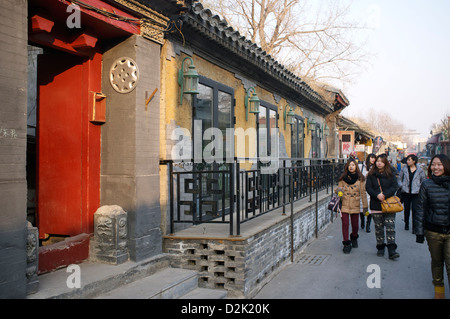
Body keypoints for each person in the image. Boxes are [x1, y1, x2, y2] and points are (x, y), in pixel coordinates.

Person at [415, 154, 450, 299]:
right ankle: (439, 293)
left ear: (446, 166)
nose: (436, 167)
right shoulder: (426, 184)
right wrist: (419, 232)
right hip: (433, 231)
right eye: (434, 165)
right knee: (436, 262)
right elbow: (421, 208)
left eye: (439, 164)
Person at [365, 154, 400, 260]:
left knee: (390, 227)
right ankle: (380, 247)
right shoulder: (371, 174)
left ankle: (391, 249)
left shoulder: (391, 174)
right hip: (376, 204)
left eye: (381, 161)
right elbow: (368, 187)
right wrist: (377, 195)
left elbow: (395, 186)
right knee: (379, 228)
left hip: (388, 204)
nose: (379, 163)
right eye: (377, 161)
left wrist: (384, 194)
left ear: (385, 163)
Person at [336, 158, 368, 254]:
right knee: (345, 224)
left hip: (355, 204)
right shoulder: (343, 178)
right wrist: (339, 192)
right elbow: (338, 189)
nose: (351, 167)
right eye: (349, 165)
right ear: (347, 167)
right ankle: (346, 243)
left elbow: (363, 193)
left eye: (353, 165)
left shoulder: (360, 178)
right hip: (345, 204)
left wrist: (365, 207)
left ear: (356, 167)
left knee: (355, 225)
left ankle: (354, 237)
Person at [399, 154, 426, 231]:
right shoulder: (404, 169)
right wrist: (402, 185)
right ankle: (406, 223)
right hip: (406, 192)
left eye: (409, 160)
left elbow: (423, 180)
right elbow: (399, 179)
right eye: (407, 160)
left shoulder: (420, 170)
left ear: (414, 161)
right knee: (406, 209)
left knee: (415, 210)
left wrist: (420, 188)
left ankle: (415, 226)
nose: (407, 161)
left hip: (416, 193)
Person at [359, 154, 376, 232]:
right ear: (369, 158)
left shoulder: (375, 168)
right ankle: (362, 221)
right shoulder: (361, 166)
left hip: (370, 190)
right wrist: (365, 176)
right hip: (362, 189)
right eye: (372, 158)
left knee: (369, 208)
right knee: (362, 207)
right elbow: (357, 176)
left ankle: (368, 224)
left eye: (374, 158)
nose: (373, 160)